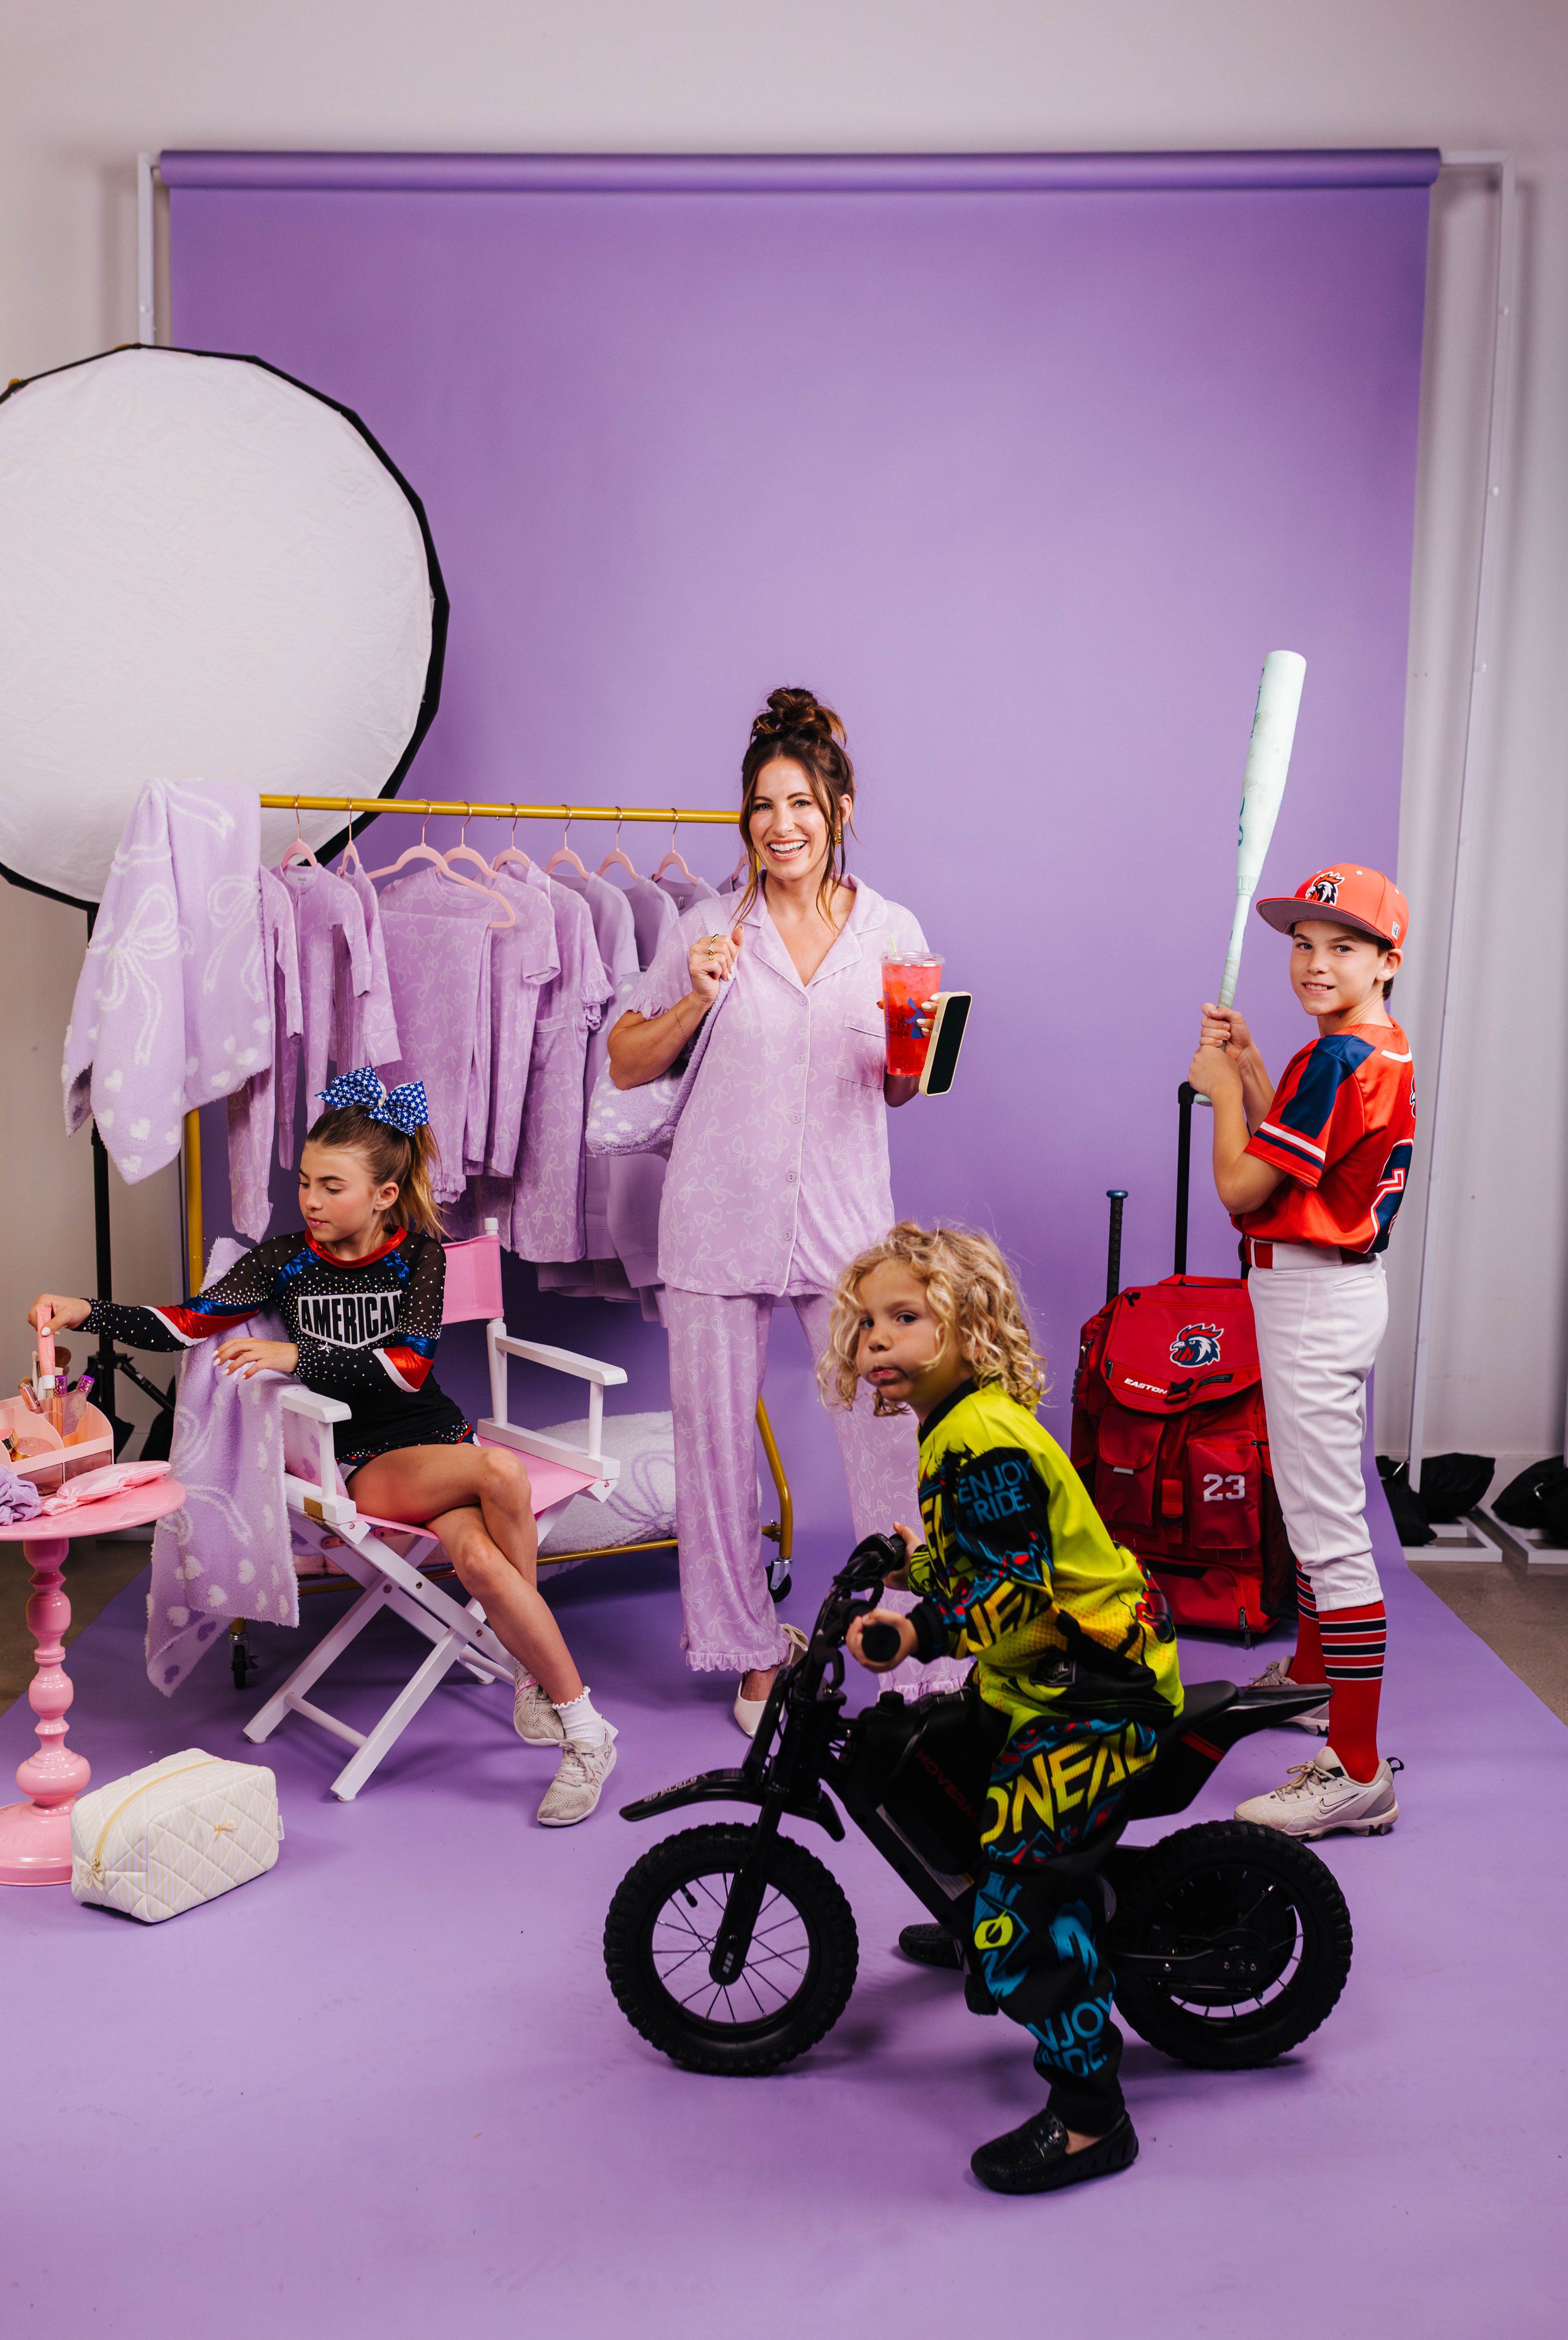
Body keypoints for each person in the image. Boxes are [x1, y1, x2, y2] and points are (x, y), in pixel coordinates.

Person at [29, 1068, 617, 1827]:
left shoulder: (422, 1257)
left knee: (478, 1560)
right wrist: (87, 1311)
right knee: (502, 1469)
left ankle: (579, 1725)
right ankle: (540, 1687)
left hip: (440, 1440)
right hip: (364, 1466)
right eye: (306, 1182)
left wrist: (295, 1357)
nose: (310, 1200)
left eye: (332, 1186)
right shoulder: (284, 1262)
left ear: (382, 1193)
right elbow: (190, 1321)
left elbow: (410, 1370)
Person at [828, 1222, 1182, 2196]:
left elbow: (1014, 1597)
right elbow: (991, 1553)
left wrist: (917, 1633)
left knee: (1027, 1892)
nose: (877, 1342)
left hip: (1100, 1695)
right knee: (950, 1761)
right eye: (867, 1323)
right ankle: (974, 1909)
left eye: (906, 1317)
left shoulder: (979, 1440)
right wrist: (913, 1559)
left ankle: (1089, 2117)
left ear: (969, 1327)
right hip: (1040, 1681)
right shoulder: (959, 1427)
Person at [607, 687, 933, 1731]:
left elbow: (898, 1089)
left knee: (890, 1444)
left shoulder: (893, 930)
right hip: (714, 1217)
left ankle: (914, 1648)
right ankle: (752, 1654)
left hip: (848, 1229)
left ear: (838, 807)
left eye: (800, 802)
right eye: (762, 806)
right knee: (714, 1451)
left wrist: (911, 1057)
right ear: (745, 820)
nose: (781, 825)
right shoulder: (708, 928)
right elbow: (623, 1062)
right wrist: (696, 996)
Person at [1187, 862, 1414, 1839]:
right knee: (1312, 1502)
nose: (1318, 962)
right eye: (1304, 943)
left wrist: (1215, 1095)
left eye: (1346, 947)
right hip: (1333, 1291)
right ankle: (1318, 1682)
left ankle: (1357, 1769)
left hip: (1315, 1294)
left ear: (1388, 960)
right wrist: (1249, 1069)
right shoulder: (1366, 1044)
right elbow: (1301, 1151)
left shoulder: (1336, 1059)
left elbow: (1244, 1188)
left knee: (1327, 1531)